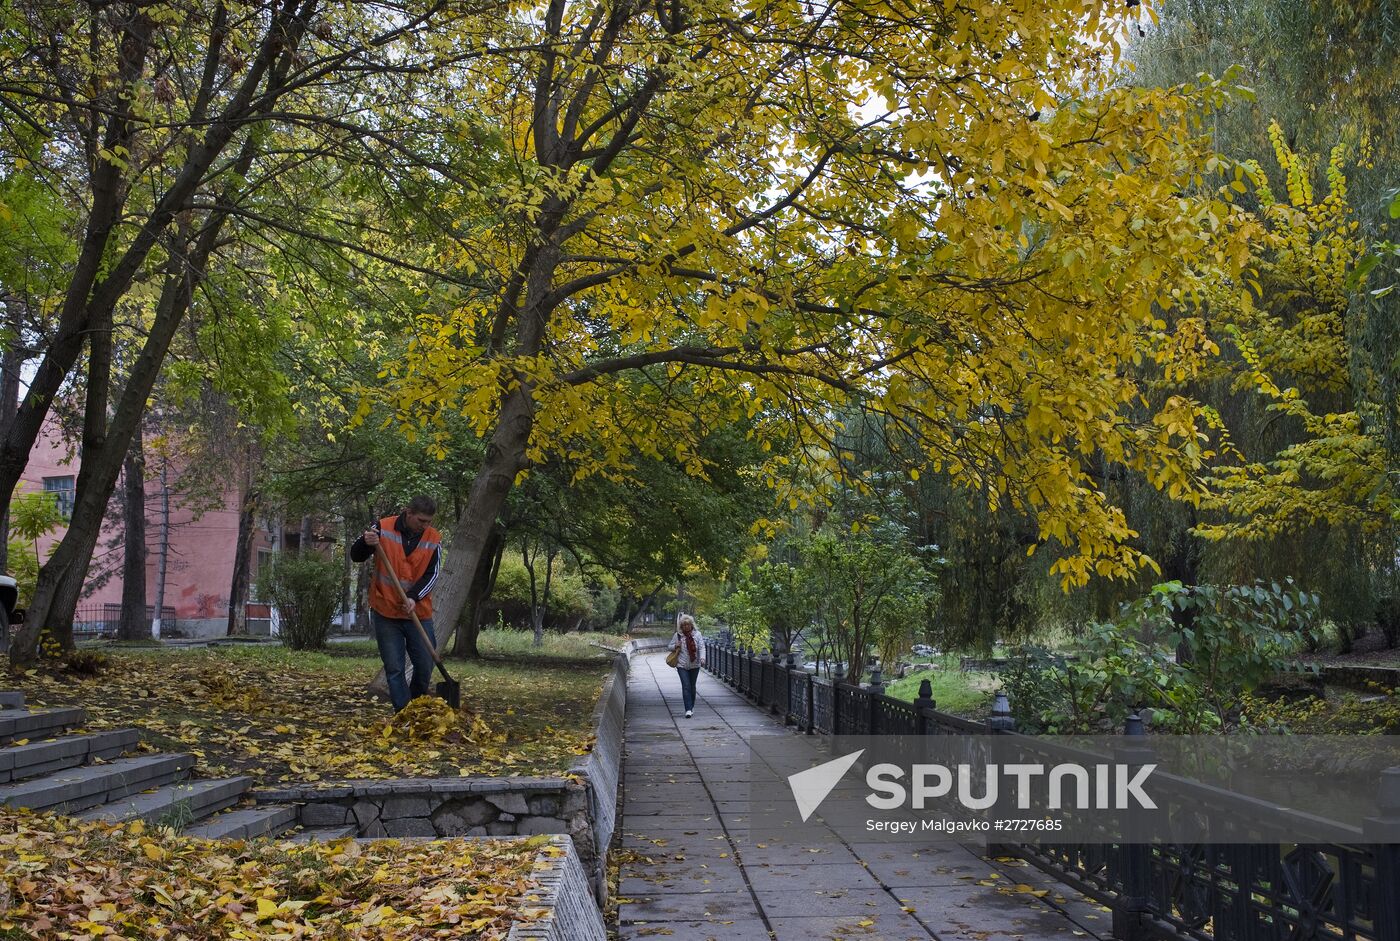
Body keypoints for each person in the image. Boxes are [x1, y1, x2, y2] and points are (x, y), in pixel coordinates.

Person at [350, 496, 441, 712]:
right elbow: (356, 555)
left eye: (428, 521)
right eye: (421, 520)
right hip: (386, 611)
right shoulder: (382, 528)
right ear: (408, 513)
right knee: (394, 667)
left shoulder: (434, 538)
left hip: (418, 612)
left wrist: (413, 597)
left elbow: (432, 574)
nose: (425, 526)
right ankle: (403, 712)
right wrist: (366, 542)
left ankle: (416, 705)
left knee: (425, 664)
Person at [668, 614, 705, 718]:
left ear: (691, 625)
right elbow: (669, 646)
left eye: (687, 625)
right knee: (686, 686)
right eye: (683, 625)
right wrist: (675, 645)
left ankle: (691, 706)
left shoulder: (697, 635)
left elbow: (702, 647)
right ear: (681, 626)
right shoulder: (678, 635)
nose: (686, 627)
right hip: (681, 664)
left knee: (692, 686)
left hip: (695, 664)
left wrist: (702, 658)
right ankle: (688, 709)